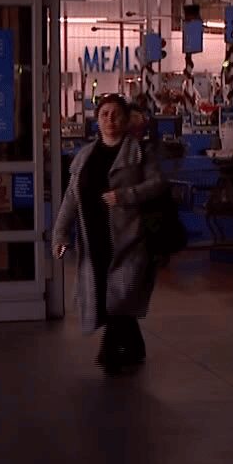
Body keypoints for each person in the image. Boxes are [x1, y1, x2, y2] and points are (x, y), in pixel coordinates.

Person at [52, 93, 168, 374]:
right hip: (94, 240)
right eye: (104, 114)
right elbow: (71, 196)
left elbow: (157, 185)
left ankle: (110, 352)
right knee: (106, 294)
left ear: (127, 119)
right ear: (96, 119)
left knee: (120, 295)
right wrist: (60, 234)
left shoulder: (139, 152)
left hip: (130, 240)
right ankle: (133, 347)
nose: (110, 120)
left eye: (116, 114)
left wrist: (125, 196)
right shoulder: (85, 157)